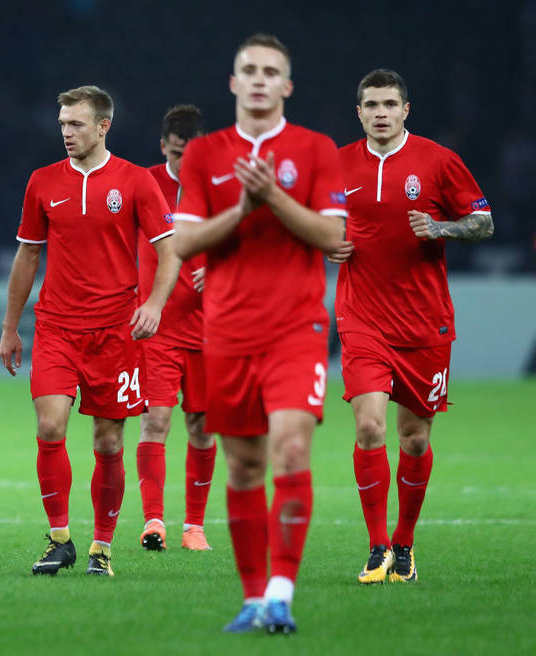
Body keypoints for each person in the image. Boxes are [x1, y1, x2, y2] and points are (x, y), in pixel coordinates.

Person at [173, 34, 347, 634]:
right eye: (248, 70)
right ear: (233, 81)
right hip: (226, 331)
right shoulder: (204, 154)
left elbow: (333, 237)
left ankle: (281, 593)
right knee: (244, 467)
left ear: (286, 86)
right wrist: (242, 209)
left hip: (297, 328)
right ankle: (252, 600)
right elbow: (184, 242)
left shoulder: (315, 149)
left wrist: (271, 196)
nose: (258, 79)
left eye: (271, 72)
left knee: (291, 450)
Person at [0, 85, 180, 577]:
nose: (66, 132)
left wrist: (154, 304)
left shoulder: (136, 181)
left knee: (108, 442)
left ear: (103, 127)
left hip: (116, 332)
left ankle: (102, 547)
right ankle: (60, 539)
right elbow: (28, 255)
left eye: (75, 124)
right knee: (49, 426)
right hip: (56, 327)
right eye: (62, 124)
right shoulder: (42, 181)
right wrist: (11, 326)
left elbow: (169, 251)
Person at [329, 69, 494, 585]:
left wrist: (440, 226)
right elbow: (315, 220)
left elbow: (484, 222)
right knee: (369, 427)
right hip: (362, 316)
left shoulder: (438, 161)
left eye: (389, 104)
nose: (380, 113)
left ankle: (404, 542)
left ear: (405, 110)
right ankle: (377, 546)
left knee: (415, 438)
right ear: (359, 112)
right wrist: (325, 241)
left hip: (424, 322)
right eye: (371, 105)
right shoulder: (338, 163)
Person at [136, 104, 217, 552]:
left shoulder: (222, 190)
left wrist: (221, 272)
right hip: (157, 327)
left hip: (208, 330)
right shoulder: (144, 183)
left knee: (202, 427)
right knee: (156, 420)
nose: (185, 162)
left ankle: (194, 527)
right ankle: (153, 522)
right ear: (164, 146)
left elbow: (248, 248)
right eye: (177, 152)